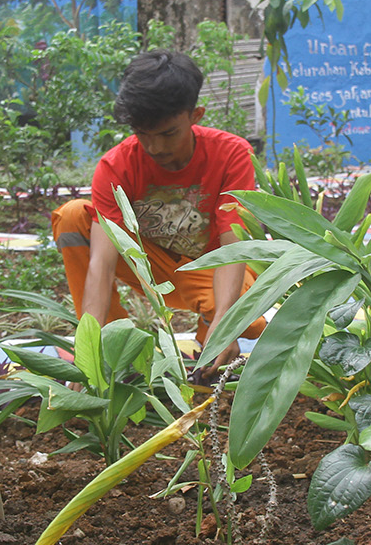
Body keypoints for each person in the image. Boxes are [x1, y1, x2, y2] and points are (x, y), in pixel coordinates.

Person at [50, 49, 265, 372]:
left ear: (196, 116)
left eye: (168, 134)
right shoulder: (116, 166)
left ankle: (210, 346)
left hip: (207, 267)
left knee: (248, 320)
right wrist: (87, 352)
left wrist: (226, 319)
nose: (155, 148)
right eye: (143, 134)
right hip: (148, 267)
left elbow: (232, 243)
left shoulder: (232, 155)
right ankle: (110, 351)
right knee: (73, 217)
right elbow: (102, 264)